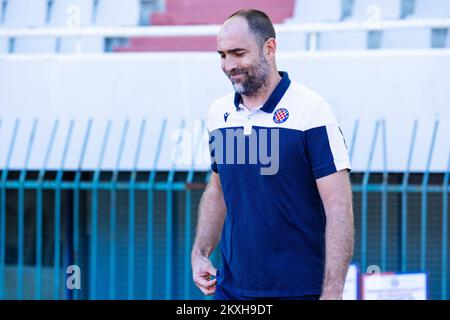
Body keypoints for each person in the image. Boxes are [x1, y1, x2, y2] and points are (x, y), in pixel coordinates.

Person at [191, 9, 354, 300]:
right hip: (230, 290)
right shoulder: (219, 114)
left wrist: (332, 292)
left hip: (300, 291)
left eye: (238, 53)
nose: (229, 65)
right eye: (222, 55)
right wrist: (200, 253)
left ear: (270, 49)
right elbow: (218, 190)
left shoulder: (312, 111)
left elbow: (338, 206)